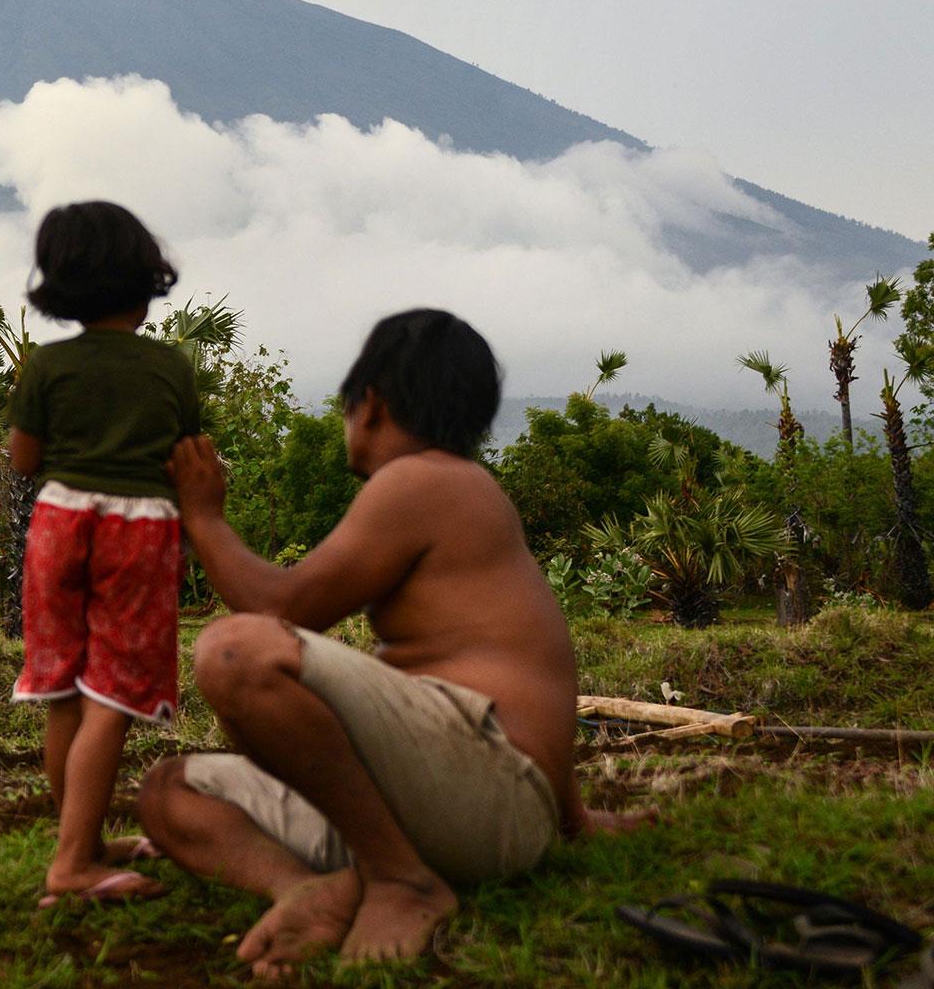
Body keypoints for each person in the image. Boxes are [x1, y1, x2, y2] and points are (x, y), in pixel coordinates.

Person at [138, 308, 652, 975]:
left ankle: (400, 880)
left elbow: (280, 607)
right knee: (168, 793)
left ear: (370, 405)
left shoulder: (424, 479)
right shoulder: (466, 492)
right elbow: (533, 669)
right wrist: (573, 819)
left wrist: (203, 515)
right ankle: (306, 886)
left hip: (482, 797)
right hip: (449, 805)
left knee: (236, 651)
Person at [7, 200, 201, 905]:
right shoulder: (169, 367)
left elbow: (24, 459)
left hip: (59, 525)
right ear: (145, 279)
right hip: (137, 531)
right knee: (112, 697)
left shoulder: (47, 366)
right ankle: (71, 867)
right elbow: (188, 455)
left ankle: (82, 845)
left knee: (65, 695)